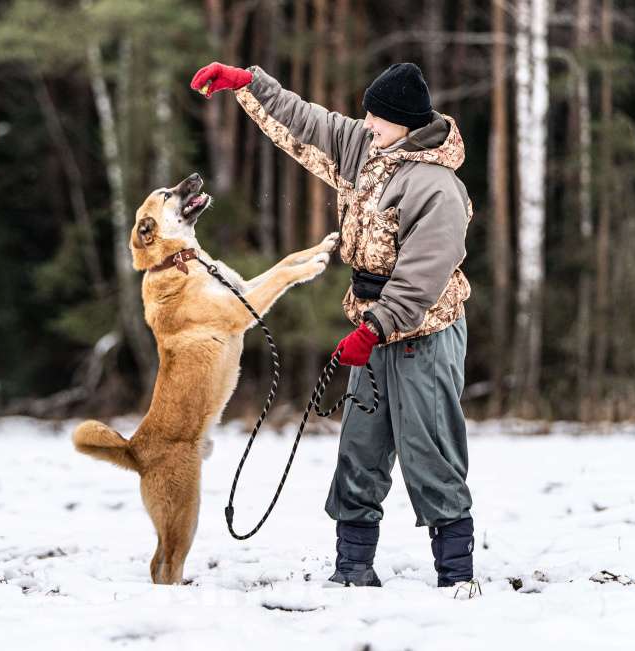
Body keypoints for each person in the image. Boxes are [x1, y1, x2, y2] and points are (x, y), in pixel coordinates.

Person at [191, 61, 476, 593]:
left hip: (424, 336)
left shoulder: (438, 188)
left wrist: (377, 327)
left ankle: (456, 576)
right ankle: (351, 572)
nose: (366, 123)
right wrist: (250, 85)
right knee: (360, 450)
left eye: (378, 118)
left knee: (430, 452)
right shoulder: (366, 150)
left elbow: (424, 275)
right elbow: (307, 122)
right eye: (366, 114)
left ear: (407, 124)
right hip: (372, 329)